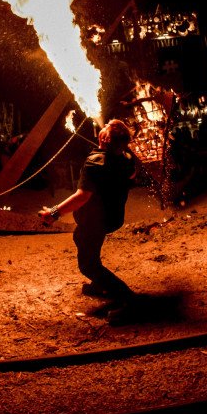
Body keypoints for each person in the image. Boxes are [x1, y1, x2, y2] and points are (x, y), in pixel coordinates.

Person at [39, 119, 137, 306]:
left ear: (104, 138)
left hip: (95, 220)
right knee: (81, 239)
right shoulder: (126, 158)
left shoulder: (95, 164)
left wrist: (54, 213)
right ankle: (100, 284)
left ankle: (128, 299)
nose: (102, 126)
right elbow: (132, 174)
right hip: (112, 217)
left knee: (88, 265)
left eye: (106, 127)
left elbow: (82, 196)